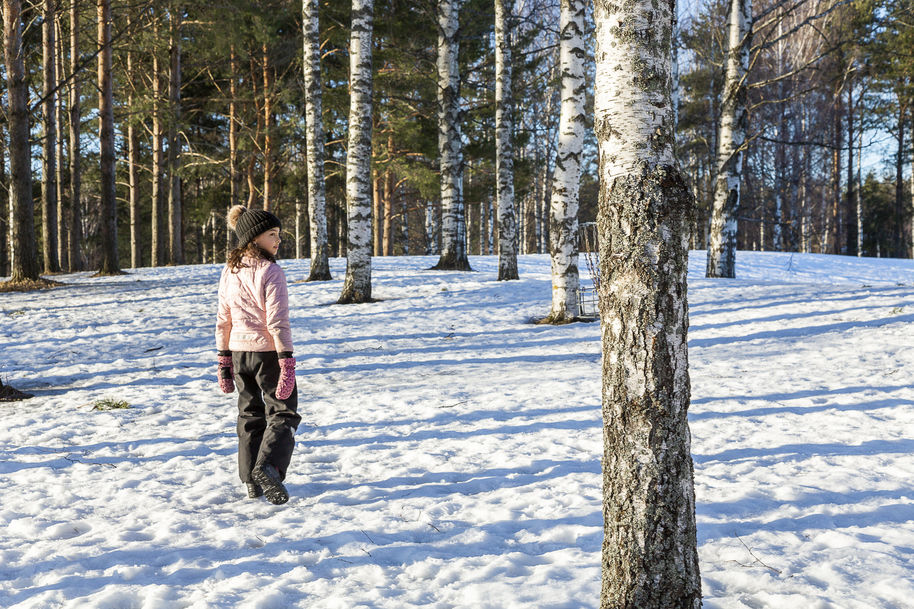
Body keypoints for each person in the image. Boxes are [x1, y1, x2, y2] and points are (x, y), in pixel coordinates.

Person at [215, 205, 300, 505]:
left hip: (240, 355)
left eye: (278, 234)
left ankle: (251, 480)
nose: (278, 240)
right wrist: (286, 361)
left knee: (249, 415)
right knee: (283, 412)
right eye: (272, 235)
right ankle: (269, 468)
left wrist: (224, 359)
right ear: (253, 238)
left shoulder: (230, 270)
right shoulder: (271, 272)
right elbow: (278, 322)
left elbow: (223, 319)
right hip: (267, 354)